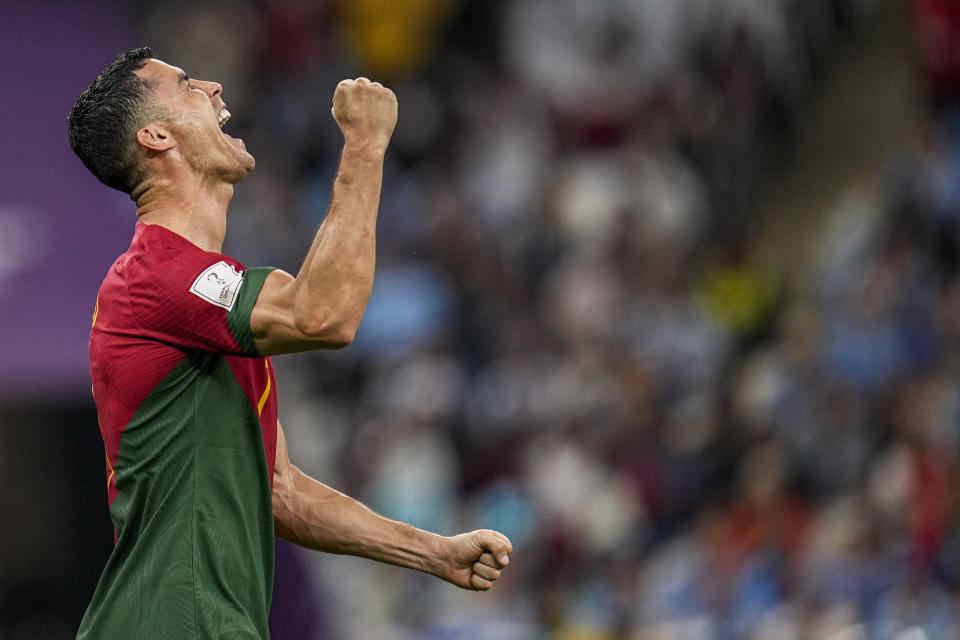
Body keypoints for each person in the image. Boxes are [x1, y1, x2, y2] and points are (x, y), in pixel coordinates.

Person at [67, 47, 512, 639]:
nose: (214, 85)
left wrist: (432, 552)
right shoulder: (153, 277)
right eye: (185, 84)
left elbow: (282, 493)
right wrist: (363, 147)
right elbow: (324, 315)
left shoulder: (203, 300)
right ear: (156, 135)